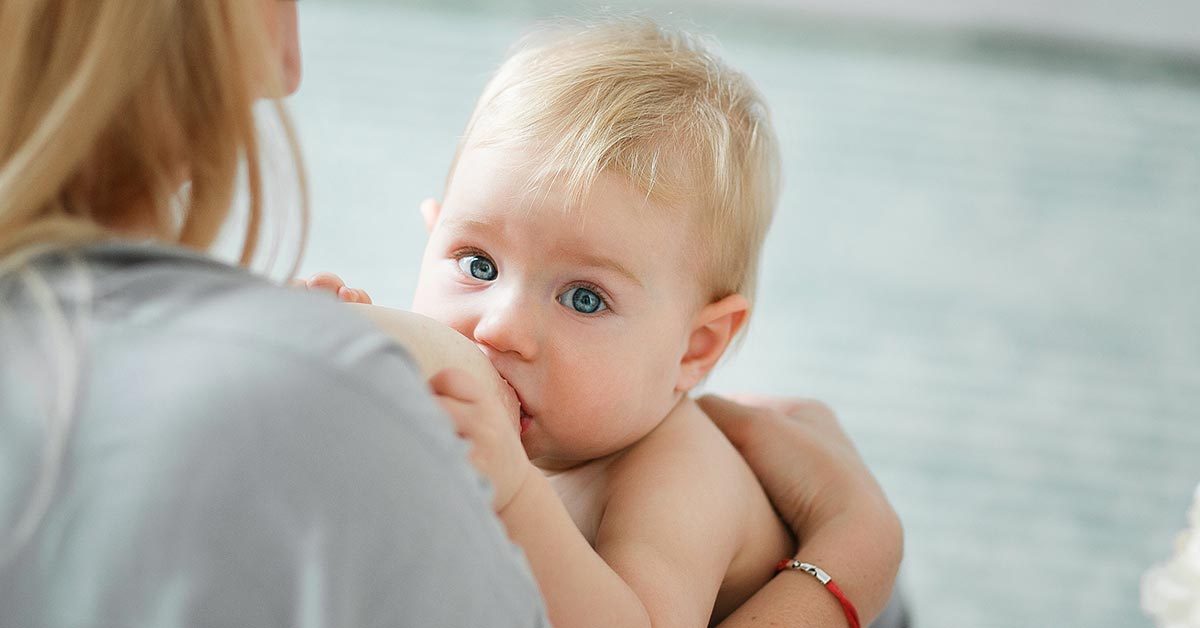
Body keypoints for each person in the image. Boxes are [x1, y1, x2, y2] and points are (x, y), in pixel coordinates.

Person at [0, 2, 902, 627]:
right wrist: (337, 327)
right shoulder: (504, 391)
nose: (498, 327)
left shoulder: (677, 470)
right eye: (475, 264)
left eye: (584, 297)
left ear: (697, 348)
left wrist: (514, 494)